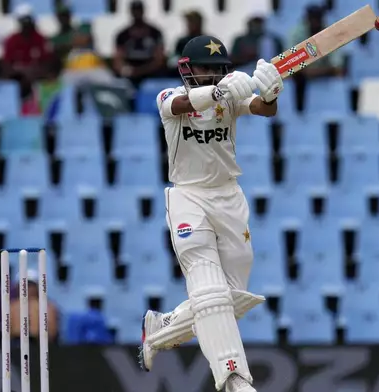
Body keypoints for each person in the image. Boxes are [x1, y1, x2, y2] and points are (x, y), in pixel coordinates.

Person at [137, 35, 283, 392]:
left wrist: (270, 94)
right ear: (187, 68)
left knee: (232, 297)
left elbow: (264, 110)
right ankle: (234, 377)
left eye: (219, 70)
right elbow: (182, 104)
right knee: (209, 288)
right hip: (189, 198)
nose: (213, 76)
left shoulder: (229, 99)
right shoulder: (168, 96)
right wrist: (220, 92)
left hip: (229, 198)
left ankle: (164, 326)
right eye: (206, 69)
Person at [113, 0, 165, 86]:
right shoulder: (122, 34)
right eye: (135, 10)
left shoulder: (155, 32)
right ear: (131, 12)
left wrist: (141, 71)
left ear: (143, 11)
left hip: (150, 70)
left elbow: (159, 59)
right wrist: (125, 70)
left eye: (139, 10)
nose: (137, 13)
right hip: (130, 69)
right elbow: (118, 59)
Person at [2, 4, 52, 82]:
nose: (26, 25)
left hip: (37, 78)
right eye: (23, 22)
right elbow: (7, 64)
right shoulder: (11, 40)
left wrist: (35, 71)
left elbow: (47, 63)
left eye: (28, 21)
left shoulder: (41, 39)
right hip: (18, 79)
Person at [9, 270, 59, 343]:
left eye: (29, 285)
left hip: (40, 344)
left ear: (37, 287)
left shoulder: (48, 307)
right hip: (16, 343)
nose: (26, 288)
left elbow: (52, 332)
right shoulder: (12, 306)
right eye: (23, 285)